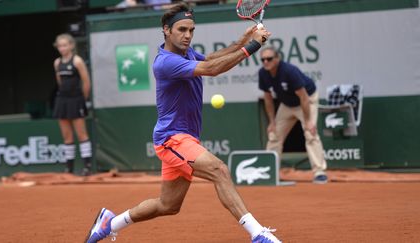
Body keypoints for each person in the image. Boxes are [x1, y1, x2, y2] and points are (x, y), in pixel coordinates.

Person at [85, 2, 281, 243]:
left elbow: (210, 57)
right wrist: (253, 46)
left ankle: (109, 223)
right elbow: (211, 68)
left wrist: (243, 39)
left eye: (191, 30)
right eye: (182, 30)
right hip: (172, 138)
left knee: (168, 205)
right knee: (219, 169)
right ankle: (257, 233)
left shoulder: (186, 53)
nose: (188, 35)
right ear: (166, 30)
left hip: (184, 138)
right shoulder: (165, 62)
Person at [258, 46, 328, 184]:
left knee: (310, 133)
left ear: (277, 59)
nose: (266, 62)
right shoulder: (263, 73)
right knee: (274, 135)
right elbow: (268, 98)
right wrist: (271, 122)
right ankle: (268, 170)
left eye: (269, 59)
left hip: (307, 101)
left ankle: (319, 172)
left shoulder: (289, 71)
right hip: (287, 104)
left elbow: (303, 97)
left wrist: (308, 121)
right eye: (263, 59)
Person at [52, 33, 93, 176]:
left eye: (65, 45)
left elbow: (86, 82)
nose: (62, 48)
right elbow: (59, 82)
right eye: (60, 46)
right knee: (67, 136)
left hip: (76, 100)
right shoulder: (57, 63)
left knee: (82, 134)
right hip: (62, 100)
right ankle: (69, 168)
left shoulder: (77, 61)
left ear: (71, 45)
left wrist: (82, 99)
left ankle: (87, 166)